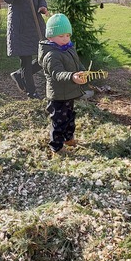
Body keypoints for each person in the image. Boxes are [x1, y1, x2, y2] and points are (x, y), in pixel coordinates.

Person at [0, 0, 49, 99]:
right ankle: (31, 91)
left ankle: (19, 76)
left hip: (34, 22)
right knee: (26, 60)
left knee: (44, 56)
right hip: (20, 23)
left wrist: (43, 6)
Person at [38, 14, 88, 156]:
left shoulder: (69, 49)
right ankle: (56, 147)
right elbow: (57, 74)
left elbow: (77, 64)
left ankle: (68, 138)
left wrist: (83, 71)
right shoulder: (51, 55)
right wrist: (72, 76)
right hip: (58, 95)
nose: (65, 39)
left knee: (70, 116)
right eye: (61, 36)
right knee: (58, 121)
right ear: (50, 37)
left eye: (67, 35)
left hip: (70, 92)